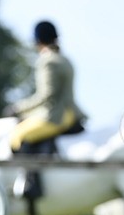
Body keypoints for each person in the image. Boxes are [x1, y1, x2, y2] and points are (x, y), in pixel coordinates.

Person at [8, 20, 86, 153]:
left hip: (56, 116)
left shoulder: (47, 61)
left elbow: (46, 95)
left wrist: (18, 108)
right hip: (71, 114)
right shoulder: (65, 60)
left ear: (38, 41)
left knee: (18, 136)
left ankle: (30, 174)